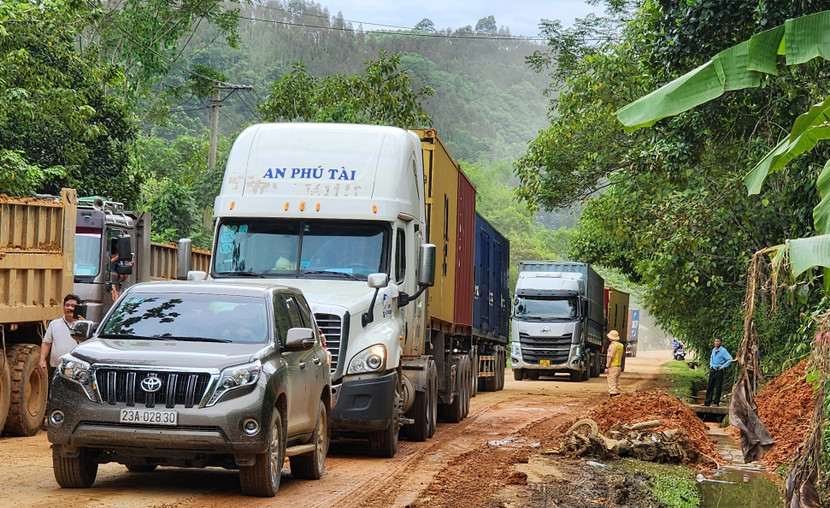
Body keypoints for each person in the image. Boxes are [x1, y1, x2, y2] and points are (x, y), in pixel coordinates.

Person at [37, 294, 83, 430]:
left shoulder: (83, 325)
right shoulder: (54, 324)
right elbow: (46, 344)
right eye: (67, 305)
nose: (70, 308)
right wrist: (41, 360)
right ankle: (52, 421)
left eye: (73, 306)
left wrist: (84, 324)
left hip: (76, 370)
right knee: (54, 395)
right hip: (56, 368)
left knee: (74, 397)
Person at [704, 337, 733, 406]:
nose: (717, 343)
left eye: (719, 341)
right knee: (710, 386)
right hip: (713, 370)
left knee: (718, 387)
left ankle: (716, 403)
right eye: (716, 341)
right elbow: (711, 358)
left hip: (719, 370)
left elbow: (730, 359)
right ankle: (707, 402)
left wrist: (723, 366)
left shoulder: (723, 351)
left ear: (721, 343)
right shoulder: (713, 350)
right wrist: (711, 365)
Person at [604, 330, 625, 397]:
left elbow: (610, 356)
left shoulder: (612, 346)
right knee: (616, 382)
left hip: (613, 367)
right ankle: (617, 395)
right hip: (618, 367)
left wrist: (607, 366)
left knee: (611, 382)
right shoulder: (620, 346)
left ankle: (613, 396)